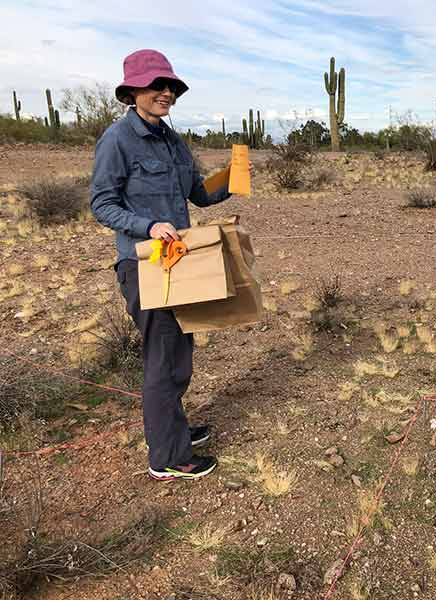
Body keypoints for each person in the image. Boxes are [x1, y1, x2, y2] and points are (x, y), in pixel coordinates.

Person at [91, 49, 239, 480]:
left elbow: (197, 193)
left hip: (180, 263)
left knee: (178, 350)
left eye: (170, 86)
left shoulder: (173, 141)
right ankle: (169, 458)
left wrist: (233, 177)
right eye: (157, 85)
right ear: (133, 90)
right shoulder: (118, 139)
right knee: (163, 355)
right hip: (144, 265)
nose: (166, 93)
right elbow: (102, 203)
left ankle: (174, 429)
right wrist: (148, 225)